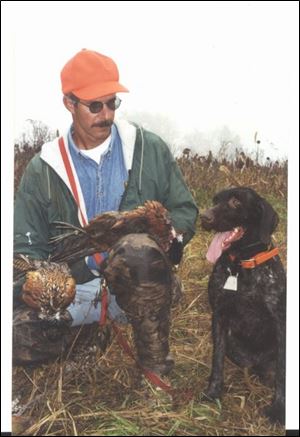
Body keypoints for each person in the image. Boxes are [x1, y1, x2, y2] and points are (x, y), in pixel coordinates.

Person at [13, 49, 198, 374]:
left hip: (141, 288)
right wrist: (40, 284)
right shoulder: (42, 169)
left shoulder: (148, 148)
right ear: (69, 104)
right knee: (14, 335)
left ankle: (154, 369)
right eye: (94, 105)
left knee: (137, 250)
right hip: (75, 292)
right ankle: (89, 337)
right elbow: (25, 248)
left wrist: (168, 238)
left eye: (112, 103)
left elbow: (184, 210)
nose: (106, 114)